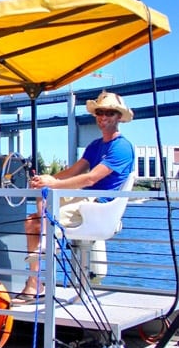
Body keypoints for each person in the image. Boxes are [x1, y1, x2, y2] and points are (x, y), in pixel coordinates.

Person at [13, 91, 135, 302]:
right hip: (84, 200)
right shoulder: (96, 145)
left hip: (98, 206)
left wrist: (55, 183)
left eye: (109, 113)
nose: (103, 117)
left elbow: (90, 179)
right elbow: (74, 171)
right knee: (33, 215)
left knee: (36, 221)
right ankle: (39, 265)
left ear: (118, 117)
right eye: (99, 112)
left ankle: (40, 264)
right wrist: (46, 180)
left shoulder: (122, 147)